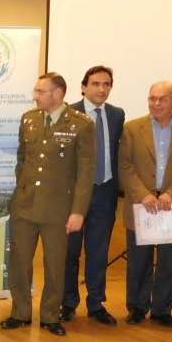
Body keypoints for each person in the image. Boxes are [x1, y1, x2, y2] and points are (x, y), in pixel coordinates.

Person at [1, 73, 95, 337]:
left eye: (40, 91)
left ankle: (51, 315)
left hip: (58, 208)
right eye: (36, 90)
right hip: (25, 205)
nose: (35, 96)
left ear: (58, 93)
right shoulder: (29, 119)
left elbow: (85, 173)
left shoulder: (81, 125)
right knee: (19, 262)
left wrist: (78, 211)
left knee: (55, 265)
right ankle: (20, 312)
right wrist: (22, 189)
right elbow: (22, 159)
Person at [117, 81, 172, 328]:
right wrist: (143, 195)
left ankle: (162, 310)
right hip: (141, 204)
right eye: (152, 98)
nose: (155, 103)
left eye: (162, 99)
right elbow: (124, 165)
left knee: (169, 261)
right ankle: (137, 307)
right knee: (138, 261)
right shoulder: (132, 128)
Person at [61, 65, 124, 325]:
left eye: (106, 84)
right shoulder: (68, 114)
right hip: (74, 195)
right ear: (83, 87)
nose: (102, 89)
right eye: (96, 84)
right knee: (70, 252)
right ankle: (67, 302)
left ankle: (96, 303)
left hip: (105, 191)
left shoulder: (117, 115)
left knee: (98, 252)